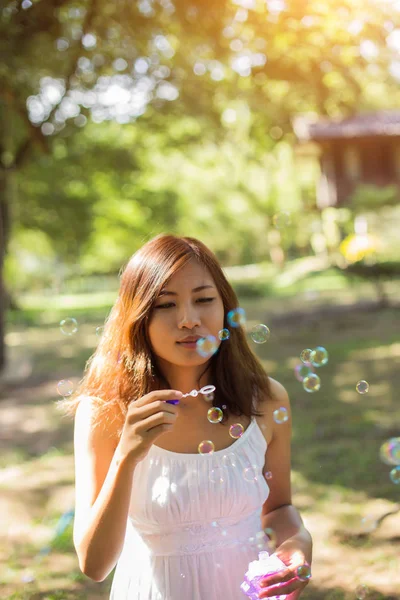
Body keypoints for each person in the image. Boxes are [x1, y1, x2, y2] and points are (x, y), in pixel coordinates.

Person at [59, 234, 313, 600]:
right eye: (165, 305)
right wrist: (127, 454)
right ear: (139, 316)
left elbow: (279, 508)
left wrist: (299, 540)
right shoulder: (105, 411)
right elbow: (94, 565)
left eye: (204, 300)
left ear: (225, 306)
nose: (188, 320)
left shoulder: (265, 399)